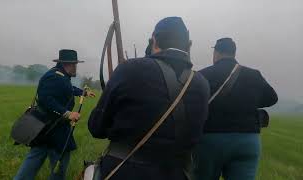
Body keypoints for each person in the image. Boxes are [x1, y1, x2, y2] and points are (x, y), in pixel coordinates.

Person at [88, 17, 210, 180]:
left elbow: (97, 127)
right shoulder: (202, 83)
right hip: (177, 174)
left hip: (125, 173)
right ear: (189, 45)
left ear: (154, 40)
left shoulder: (129, 69)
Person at [192, 38, 278, 180]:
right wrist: (250, 102)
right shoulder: (254, 75)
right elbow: (272, 98)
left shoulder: (203, 75)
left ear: (216, 52)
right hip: (248, 141)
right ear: (233, 53)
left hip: (210, 140)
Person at [14, 49, 95, 180]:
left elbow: (66, 88)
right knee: (58, 169)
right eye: (74, 64)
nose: (76, 67)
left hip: (46, 129)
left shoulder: (60, 76)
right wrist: (67, 113)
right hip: (53, 130)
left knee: (34, 162)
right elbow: (46, 99)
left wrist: (83, 93)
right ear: (66, 64)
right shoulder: (53, 76)